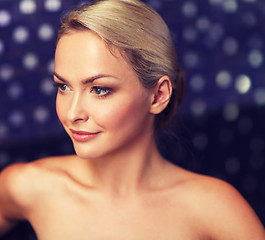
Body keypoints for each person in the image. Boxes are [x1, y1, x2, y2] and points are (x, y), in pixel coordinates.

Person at [0, 0, 264, 239]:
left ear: (158, 95)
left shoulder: (211, 207)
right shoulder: (28, 186)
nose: (72, 114)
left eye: (100, 89)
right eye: (63, 87)